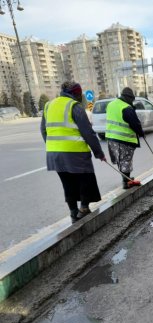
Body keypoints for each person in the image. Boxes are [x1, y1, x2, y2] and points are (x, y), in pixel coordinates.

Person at [41, 81, 106, 224]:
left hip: (54, 154)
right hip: (75, 153)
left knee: (67, 183)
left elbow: (43, 130)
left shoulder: (48, 106)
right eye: (79, 94)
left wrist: (53, 146)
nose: (79, 96)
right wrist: (99, 153)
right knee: (84, 180)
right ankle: (83, 208)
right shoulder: (74, 106)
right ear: (75, 93)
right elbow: (88, 132)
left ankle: (73, 212)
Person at [105, 87, 145, 189]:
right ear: (128, 97)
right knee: (126, 160)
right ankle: (126, 182)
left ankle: (126, 179)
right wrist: (141, 133)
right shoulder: (126, 108)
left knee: (120, 160)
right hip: (124, 139)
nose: (132, 101)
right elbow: (135, 123)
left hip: (111, 138)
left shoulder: (111, 104)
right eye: (132, 99)